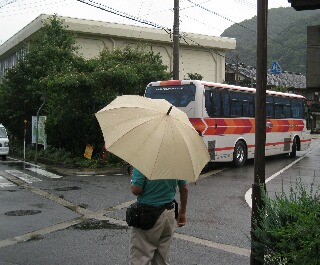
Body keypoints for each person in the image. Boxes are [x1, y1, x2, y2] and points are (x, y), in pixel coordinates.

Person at [129, 168, 189, 265]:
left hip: (147, 215)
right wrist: (182, 212)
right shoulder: (176, 162)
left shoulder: (145, 161)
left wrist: (133, 179)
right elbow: (184, 188)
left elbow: (136, 189)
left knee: (140, 258)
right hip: (169, 214)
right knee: (162, 257)